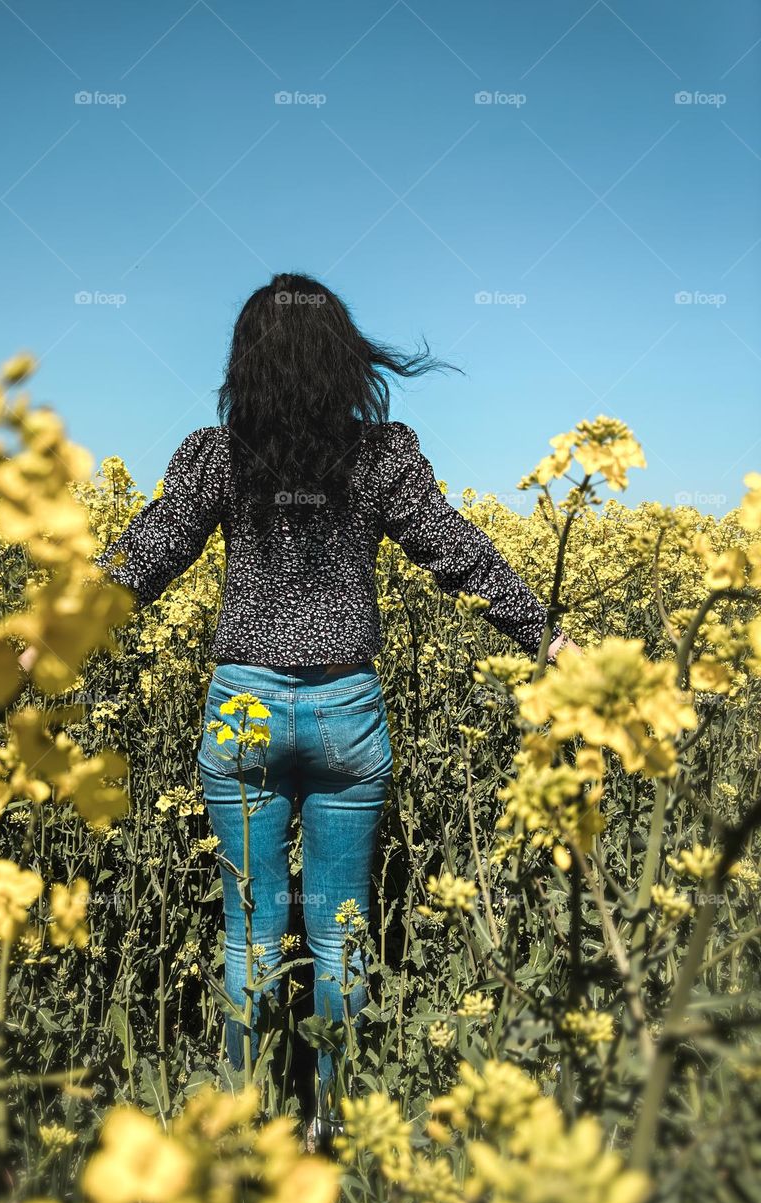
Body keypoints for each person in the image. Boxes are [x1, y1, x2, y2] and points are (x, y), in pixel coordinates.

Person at [94, 272, 579, 1144]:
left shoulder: (218, 456)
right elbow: (458, 553)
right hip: (348, 712)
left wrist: (27, 654)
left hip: (241, 712)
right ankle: (339, 1125)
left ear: (247, 364)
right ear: (343, 360)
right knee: (343, 936)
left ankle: (245, 1124)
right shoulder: (380, 456)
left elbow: (143, 558)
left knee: (250, 937)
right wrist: (550, 638)